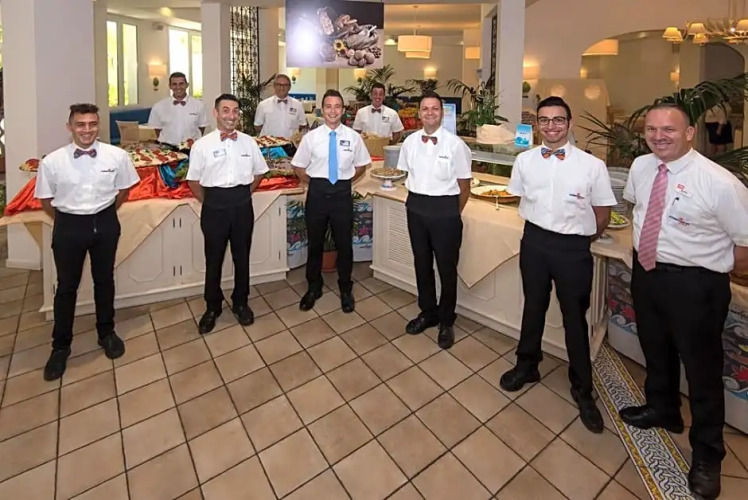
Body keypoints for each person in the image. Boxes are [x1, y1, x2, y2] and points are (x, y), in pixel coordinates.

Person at [619, 102, 748, 500]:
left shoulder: (719, 182)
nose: (659, 137)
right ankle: (663, 408)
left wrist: (710, 272)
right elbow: (639, 209)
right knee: (655, 348)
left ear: (690, 133)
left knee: (702, 370)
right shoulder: (641, 167)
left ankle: (708, 454)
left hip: (696, 285)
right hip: (647, 273)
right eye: (652, 129)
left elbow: (744, 244)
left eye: (669, 130)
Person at [499, 96, 617, 433]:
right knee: (533, 307)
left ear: (569, 123)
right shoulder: (524, 160)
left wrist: (581, 238)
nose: (551, 126)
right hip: (534, 241)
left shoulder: (592, 166)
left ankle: (583, 389)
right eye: (545, 120)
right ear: (537, 124)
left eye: (558, 120)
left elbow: (603, 213)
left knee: (574, 318)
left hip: (573, 248)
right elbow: (520, 196)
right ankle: (527, 365)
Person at [35, 103, 140, 381]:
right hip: (68, 226)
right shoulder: (52, 162)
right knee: (66, 287)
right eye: (80, 124)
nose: (87, 130)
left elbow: (124, 189)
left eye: (92, 124)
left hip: (105, 222)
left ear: (98, 126)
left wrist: (104, 214)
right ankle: (60, 346)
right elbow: (46, 200)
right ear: (70, 127)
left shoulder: (117, 156)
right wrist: (69, 220)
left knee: (104, 280)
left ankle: (106, 332)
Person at [186, 93, 269, 334]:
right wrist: (210, 202)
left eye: (235, 111)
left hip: (242, 206)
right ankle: (212, 307)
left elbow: (259, 172)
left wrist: (243, 194)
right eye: (225, 110)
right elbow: (193, 181)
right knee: (213, 259)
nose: (231, 116)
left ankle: (241, 302)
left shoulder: (249, 143)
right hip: (214, 207)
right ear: (215, 113)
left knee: (242, 257)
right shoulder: (202, 145)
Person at [397, 91, 471, 349]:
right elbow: (407, 174)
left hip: (445, 210)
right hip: (416, 207)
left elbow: (465, 186)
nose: (430, 113)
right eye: (425, 108)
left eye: (435, 108)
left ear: (442, 113)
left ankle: (447, 320)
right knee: (421, 263)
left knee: (447, 269)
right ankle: (428, 312)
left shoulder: (456, 145)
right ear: (419, 113)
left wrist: (451, 213)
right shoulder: (409, 142)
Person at [291, 89, 371, 313]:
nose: (333, 111)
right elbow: (298, 166)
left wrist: (344, 181)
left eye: (337, 106)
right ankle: (313, 287)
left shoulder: (353, 137)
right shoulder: (311, 138)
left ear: (343, 110)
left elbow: (361, 165)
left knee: (344, 244)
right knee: (315, 243)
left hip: (342, 195)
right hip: (317, 194)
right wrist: (316, 182)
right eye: (328, 106)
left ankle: (345, 287)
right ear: (322, 109)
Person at [147, 72, 210, 146]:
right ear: (170, 86)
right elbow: (157, 129)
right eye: (174, 84)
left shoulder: (199, 105)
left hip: (191, 147)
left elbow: (202, 127)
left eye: (181, 84)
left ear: (187, 85)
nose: (178, 87)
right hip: (167, 148)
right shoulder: (158, 106)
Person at [253, 74, 308, 138]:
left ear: (289, 87)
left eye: (285, 85)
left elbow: (303, 125)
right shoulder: (263, 105)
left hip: (290, 142)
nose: (282, 87)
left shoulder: (298, 105)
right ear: (274, 86)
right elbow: (257, 126)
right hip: (269, 143)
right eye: (279, 85)